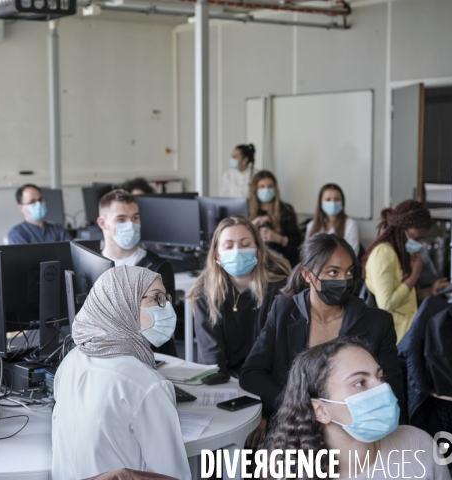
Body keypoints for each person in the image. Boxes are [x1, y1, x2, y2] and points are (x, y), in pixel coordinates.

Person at [240, 233, 404, 446]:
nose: (343, 280)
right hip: (293, 427)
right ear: (307, 275)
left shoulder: (378, 322)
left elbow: (392, 389)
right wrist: (292, 405)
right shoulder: (283, 311)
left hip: (355, 432)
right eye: (333, 272)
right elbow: (251, 373)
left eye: (349, 272)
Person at [52, 266, 190, 480]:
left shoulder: (70, 361)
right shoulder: (146, 384)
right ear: (121, 303)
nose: (167, 308)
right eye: (156, 298)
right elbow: (171, 474)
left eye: (166, 298)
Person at [262, 337, 451, 480]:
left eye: (381, 377)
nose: (383, 389)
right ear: (320, 410)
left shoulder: (420, 445)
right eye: (360, 383)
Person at [188, 216, 290, 377]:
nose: (237, 251)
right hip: (226, 383)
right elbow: (212, 360)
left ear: (258, 250)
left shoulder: (280, 289)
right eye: (228, 246)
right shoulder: (204, 294)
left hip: (271, 380)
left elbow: (282, 351)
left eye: (245, 244)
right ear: (217, 256)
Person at [98, 190, 177, 355]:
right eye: (121, 219)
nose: (131, 224)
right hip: (105, 356)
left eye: (135, 217)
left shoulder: (157, 267)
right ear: (102, 223)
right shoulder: (92, 264)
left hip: (152, 356)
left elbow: (156, 323)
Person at [362, 200, 448, 343]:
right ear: (403, 229)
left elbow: (404, 296)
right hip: (393, 339)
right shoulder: (383, 253)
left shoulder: (399, 253)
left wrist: (430, 291)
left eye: (423, 238)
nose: (420, 243)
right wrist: (414, 275)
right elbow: (387, 303)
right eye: (417, 237)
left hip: (406, 334)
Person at [249, 170, 301, 266]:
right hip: (253, 263)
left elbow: (297, 245)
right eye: (262, 187)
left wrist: (279, 239)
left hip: (280, 263)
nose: (266, 190)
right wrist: (251, 226)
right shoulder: (246, 208)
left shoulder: (286, 210)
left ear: (275, 188)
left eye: (270, 186)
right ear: (255, 189)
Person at [306, 183, 360, 255]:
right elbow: (307, 253)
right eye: (328, 199)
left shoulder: (351, 225)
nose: (333, 203)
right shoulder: (311, 225)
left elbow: (352, 254)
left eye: (337, 199)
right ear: (321, 203)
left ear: (342, 202)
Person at [7, 184, 72, 244]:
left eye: (40, 200)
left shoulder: (58, 230)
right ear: (21, 208)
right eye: (32, 201)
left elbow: (71, 252)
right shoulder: (17, 233)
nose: (38, 204)